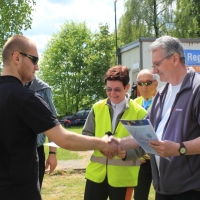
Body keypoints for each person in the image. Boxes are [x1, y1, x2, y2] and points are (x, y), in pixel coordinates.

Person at [0, 34, 118, 200]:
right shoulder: (26, 98)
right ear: (17, 57)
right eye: (34, 60)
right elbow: (64, 139)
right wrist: (103, 143)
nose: (37, 67)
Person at [118, 36, 200, 200]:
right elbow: (145, 133)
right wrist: (116, 143)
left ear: (175, 59)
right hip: (163, 189)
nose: (154, 70)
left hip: (191, 190)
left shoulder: (197, 88)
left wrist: (179, 148)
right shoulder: (162, 93)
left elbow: (176, 147)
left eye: (157, 64)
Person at [82, 65, 147, 200]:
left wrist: (126, 153)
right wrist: (99, 145)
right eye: (109, 89)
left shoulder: (140, 112)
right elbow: (86, 135)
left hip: (123, 178)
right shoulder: (97, 108)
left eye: (117, 89)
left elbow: (144, 145)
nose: (112, 94)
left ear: (127, 87)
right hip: (96, 175)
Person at [26, 76, 58, 189]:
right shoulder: (7, 86)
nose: (36, 67)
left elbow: (52, 123)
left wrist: (52, 153)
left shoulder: (43, 89)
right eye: (33, 60)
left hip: (36, 152)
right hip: (9, 152)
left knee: (34, 192)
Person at [133, 69, 158, 200]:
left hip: (159, 158)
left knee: (163, 194)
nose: (144, 87)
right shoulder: (132, 104)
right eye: (140, 83)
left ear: (156, 84)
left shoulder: (163, 102)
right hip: (141, 160)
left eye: (148, 83)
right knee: (139, 196)